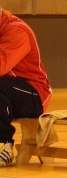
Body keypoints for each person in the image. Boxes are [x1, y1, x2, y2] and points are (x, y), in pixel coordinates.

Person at [0, 9, 52, 167]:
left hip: (34, 93)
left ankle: (4, 145)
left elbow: (1, 66)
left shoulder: (17, 31)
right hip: (9, 91)